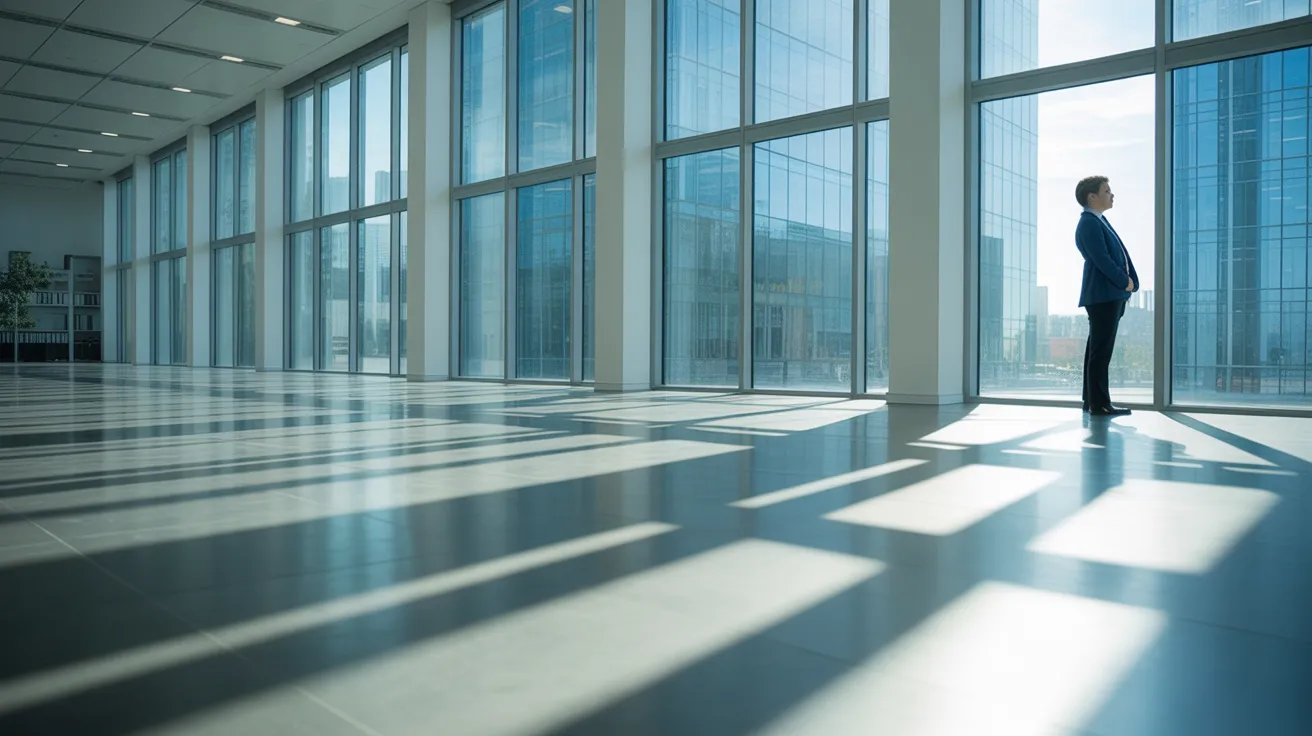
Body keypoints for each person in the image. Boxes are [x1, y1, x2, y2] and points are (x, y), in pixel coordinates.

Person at [1074, 176, 1138, 417]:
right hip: (1103, 295)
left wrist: (1129, 284)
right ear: (1092, 197)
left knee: (1097, 350)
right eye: (1107, 191)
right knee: (1101, 352)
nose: (1112, 195)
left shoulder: (1099, 221)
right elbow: (1103, 260)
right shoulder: (1089, 223)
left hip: (1108, 295)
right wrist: (1125, 282)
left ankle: (1091, 401)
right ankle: (1099, 404)